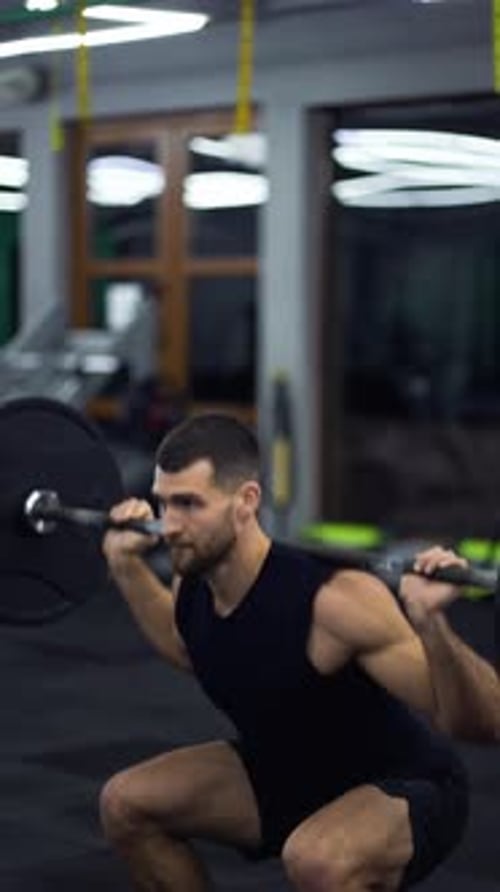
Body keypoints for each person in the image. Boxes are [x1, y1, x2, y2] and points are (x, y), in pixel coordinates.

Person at [99, 413, 500, 892]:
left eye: (189, 504)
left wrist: (431, 624)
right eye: (163, 503)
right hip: (289, 772)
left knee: (316, 860)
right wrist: (126, 568)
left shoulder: (336, 601)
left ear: (246, 501)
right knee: (126, 803)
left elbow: (484, 722)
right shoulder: (193, 578)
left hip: (403, 785)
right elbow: (189, 646)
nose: (170, 525)